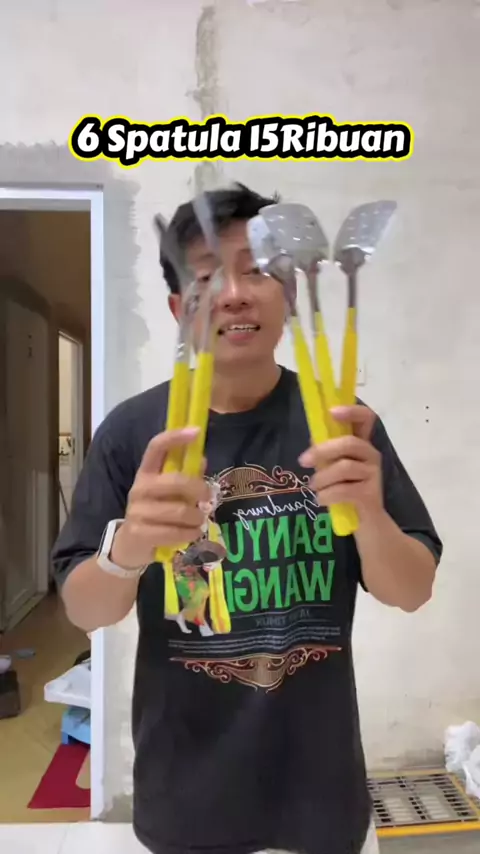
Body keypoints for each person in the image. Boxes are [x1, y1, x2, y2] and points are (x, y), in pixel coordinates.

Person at [52, 183, 443, 854]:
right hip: (186, 789)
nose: (234, 294)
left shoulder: (340, 424)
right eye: (207, 276)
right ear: (179, 308)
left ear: (288, 293)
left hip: (318, 790)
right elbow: (85, 609)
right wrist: (132, 546)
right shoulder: (134, 433)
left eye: (257, 270)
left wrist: (369, 514)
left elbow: (412, 589)